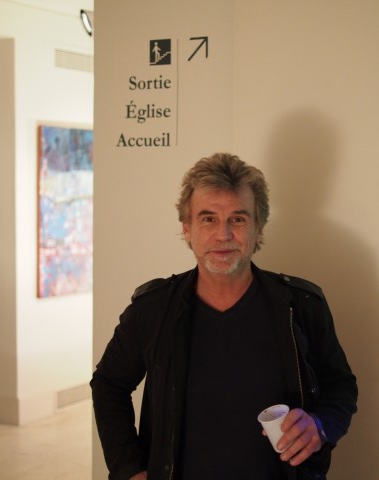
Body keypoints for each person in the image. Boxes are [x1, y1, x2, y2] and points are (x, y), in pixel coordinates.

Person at [91, 153, 358, 480]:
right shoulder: (153, 309)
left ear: (258, 228)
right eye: (208, 219)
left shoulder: (301, 305)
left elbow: (340, 385)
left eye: (238, 219)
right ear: (187, 229)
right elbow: (109, 384)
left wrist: (320, 425)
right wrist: (129, 469)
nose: (224, 234)